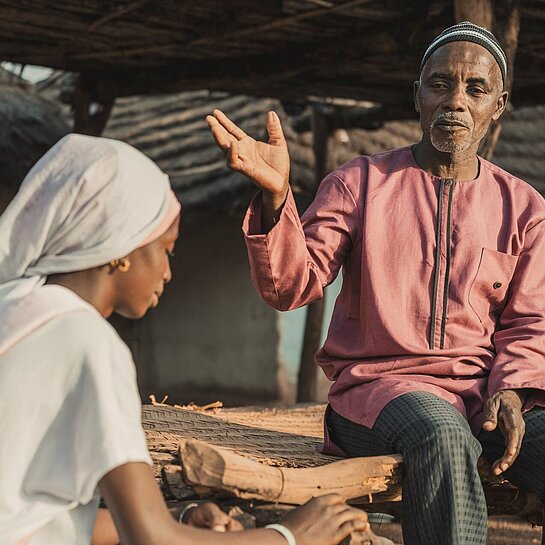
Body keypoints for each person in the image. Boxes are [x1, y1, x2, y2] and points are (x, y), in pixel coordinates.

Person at [207, 21, 545, 545]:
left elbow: (529, 322)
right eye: (440, 84)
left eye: (475, 89)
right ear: (417, 96)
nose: (456, 100)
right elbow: (291, 286)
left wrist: (513, 389)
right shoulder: (359, 183)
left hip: (483, 398)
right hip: (377, 393)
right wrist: (277, 199)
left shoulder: (523, 207)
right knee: (443, 435)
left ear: (498, 107)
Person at [0, 134, 370, 545]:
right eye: (166, 250)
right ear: (122, 247)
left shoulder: (15, 310)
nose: (167, 273)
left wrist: (182, 515)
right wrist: (289, 535)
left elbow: (28, 518)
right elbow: (151, 539)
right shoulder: (89, 342)